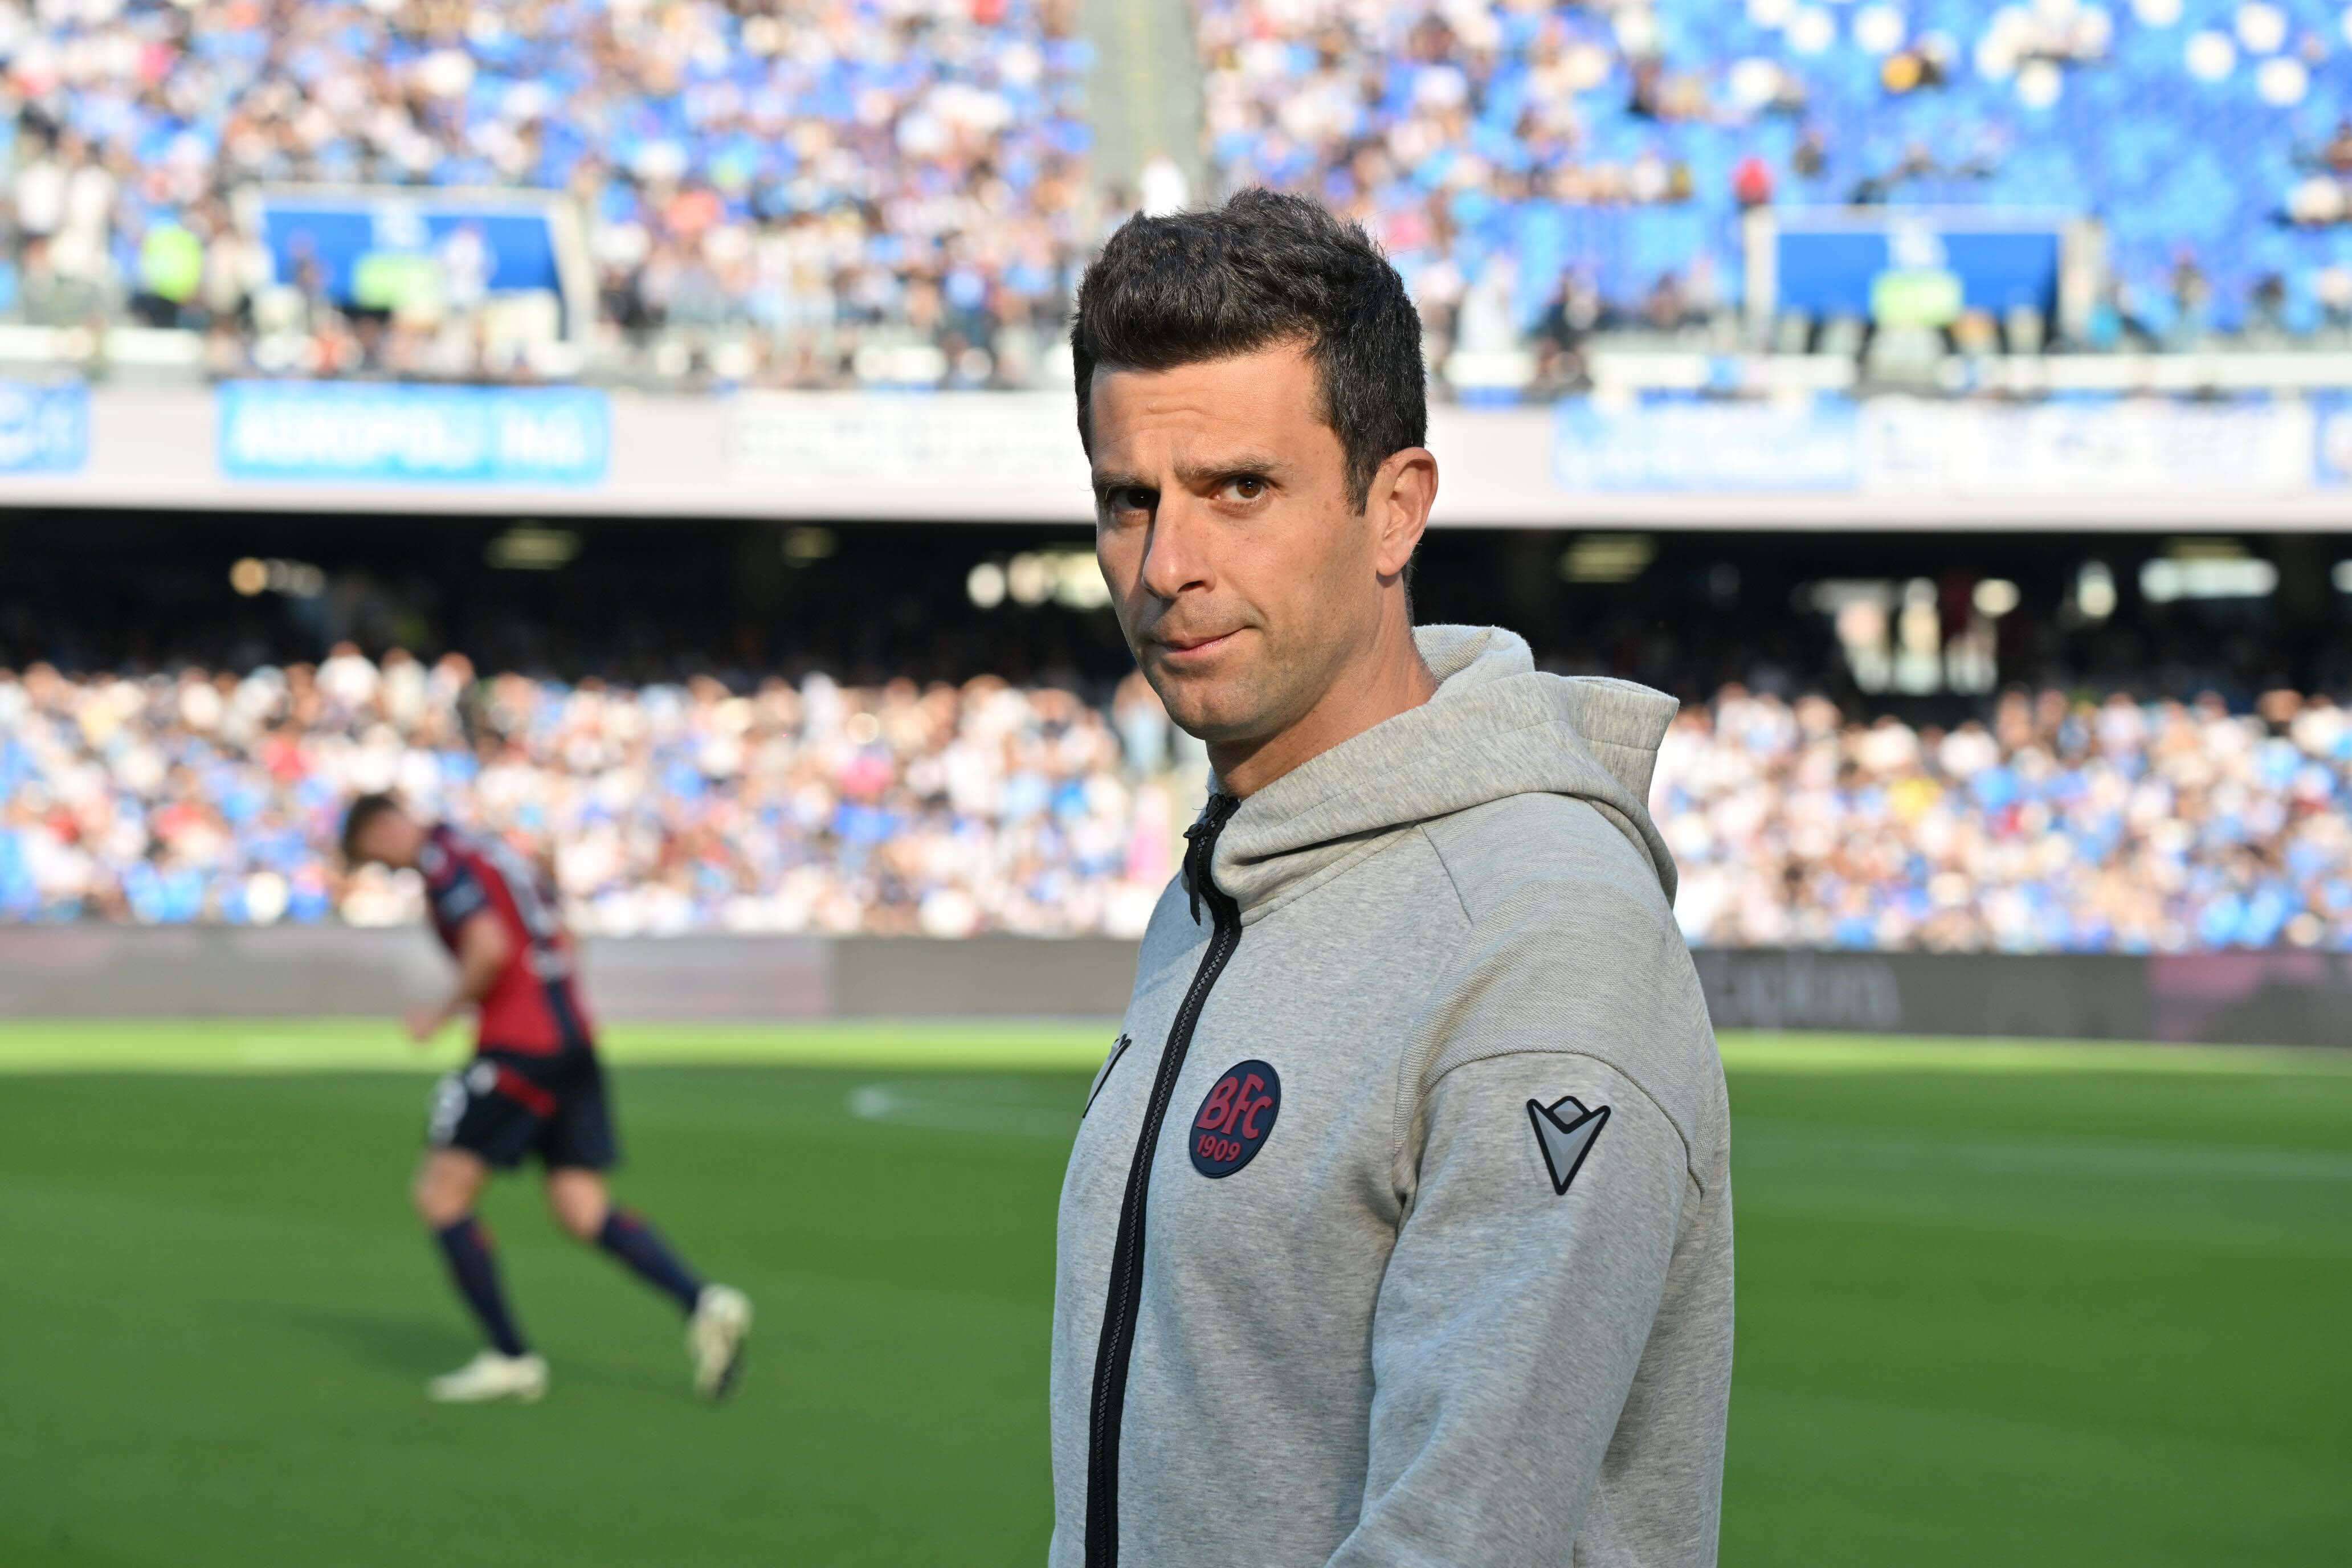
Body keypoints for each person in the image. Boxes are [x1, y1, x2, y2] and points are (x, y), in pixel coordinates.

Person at [1049, 189, 1732, 1566]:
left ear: (1394, 510)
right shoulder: (1221, 886)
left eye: (1239, 489)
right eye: (1130, 500)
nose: (1167, 565)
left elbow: (1462, 1539)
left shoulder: (1540, 929)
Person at [340, 793, 750, 1404]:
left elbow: (489, 948)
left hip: (520, 1046)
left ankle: (511, 1357)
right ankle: (703, 1301)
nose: (386, 866)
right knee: (581, 1206)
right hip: (572, 1038)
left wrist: (443, 1013)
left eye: (375, 854)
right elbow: (562, 936)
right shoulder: (493, 852)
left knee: (441, 1192)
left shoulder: (446, 863)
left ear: (383, 828)